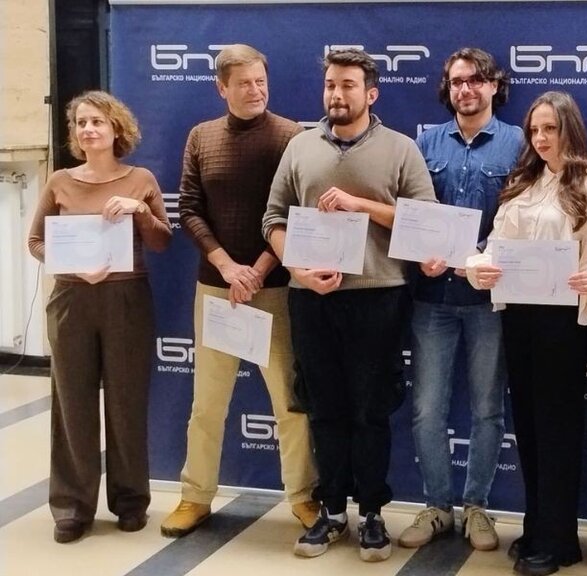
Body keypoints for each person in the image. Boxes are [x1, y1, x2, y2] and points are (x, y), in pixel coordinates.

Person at [262, 48, 436, 562]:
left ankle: (373, 514)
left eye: (348, 86)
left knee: (370, 411)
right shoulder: (299, 147)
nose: (337, 95)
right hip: (311, 299)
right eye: (331, 85)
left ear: (371, 93)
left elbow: (424, 222)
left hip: (379, 297)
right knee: (324, 409)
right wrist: (297, 269)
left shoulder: (401, 148)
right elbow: (272, 219)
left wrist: (360, 204)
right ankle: (333, 510)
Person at [160, 44, 319, 539]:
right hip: (217, 290)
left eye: (260, 81)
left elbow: (297, 211)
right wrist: (227, 266)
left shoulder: (291, 136)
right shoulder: (201, 136)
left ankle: (303, 496)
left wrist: (259, 268)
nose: (255, 90)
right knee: (207, 404)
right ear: (222, 87)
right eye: (244, 83)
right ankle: (195, 496)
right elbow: (189, 207)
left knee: (289, 404)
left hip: (275, 290)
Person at [466, 90, 587, 576]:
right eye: (535, 129)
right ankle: (538, 527)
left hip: (561, 321)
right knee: (529, 427)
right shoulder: (522, 182)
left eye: (550, 128)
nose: (541, 138)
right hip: (518, 317)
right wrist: (480, 267)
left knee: (558, 429)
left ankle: (559, 539)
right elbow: (495, 245)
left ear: (569, 129)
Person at [27, 90, 172, 543]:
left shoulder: (140, 179)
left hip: (126, 299)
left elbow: (162, 241)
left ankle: (130, 501)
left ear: (116, 129)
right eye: (81, 123)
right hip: (72, 299)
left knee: (127, 402)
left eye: (97, 122)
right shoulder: (60, 181)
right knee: (72, 402)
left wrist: (140, 209)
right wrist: (71, 265)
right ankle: (72, 506)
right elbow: (35, 242)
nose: (88, 129)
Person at [399, 48, 523, 552]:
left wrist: (481, 256)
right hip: (432, 298)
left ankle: (476, 506)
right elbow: (411, 214)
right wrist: (421, 254)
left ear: (494, 85)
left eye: (475, 80)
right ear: (447, 88)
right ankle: (437, 506)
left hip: (489, 301)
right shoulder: (425, 143)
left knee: (488, 409)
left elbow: (525, 217)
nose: (465, 89)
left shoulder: (519, 143)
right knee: (427, 408)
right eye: (456, 82)